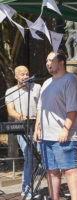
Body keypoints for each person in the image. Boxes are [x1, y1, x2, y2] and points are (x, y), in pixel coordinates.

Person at [34, 50, 77, 200]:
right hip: (47, 137)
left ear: (61, 62)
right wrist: (37, 127)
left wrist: (65, 129)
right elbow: (40, 108)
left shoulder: (71, 80)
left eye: (52, 60)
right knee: (51, 171)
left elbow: (73, 108)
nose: (48, 63)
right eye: (47, 61)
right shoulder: (47, 83)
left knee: (69, 170)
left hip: (65, 136)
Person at [5, 65, 41, 199]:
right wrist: (24, 118)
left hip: (37, 126)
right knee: (29, 157)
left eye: (27, 73)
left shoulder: (37, 88)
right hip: (22, 127)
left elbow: (41, 106)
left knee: (39, 158)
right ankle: (27, 189)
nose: (25, 76)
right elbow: (11, 111)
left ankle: (29, 187)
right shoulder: (11, 91)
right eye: (22, 74)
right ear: (16, 77)